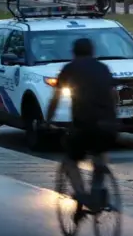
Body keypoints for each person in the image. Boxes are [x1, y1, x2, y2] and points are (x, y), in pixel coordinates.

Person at [45, 38, 118, 223]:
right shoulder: (103, 68)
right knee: (100, 153)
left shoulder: (70, 68)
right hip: (109, 125)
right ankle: (98, 189)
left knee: (70, 159)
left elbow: (56, 97)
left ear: (74, 52)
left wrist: (48, 120)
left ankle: (82, 194)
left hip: (85, 125)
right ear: (93, 51)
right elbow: (114, 95)